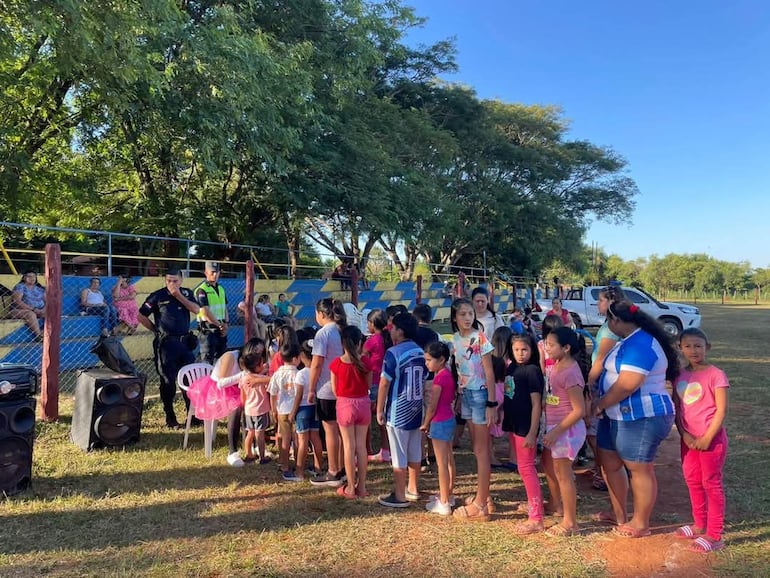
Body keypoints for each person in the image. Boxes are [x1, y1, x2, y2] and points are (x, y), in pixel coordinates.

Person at [591, 300, 679, 538]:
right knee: (609, 463)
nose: (608, 325)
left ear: (617, 321)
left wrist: (600, 404)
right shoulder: (629, 340)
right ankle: (618, 513)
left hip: (641, 416)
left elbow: (628, 384)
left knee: (639, 468)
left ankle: (641, 522)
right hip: (615, 416)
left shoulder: (641, 343)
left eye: (608, 320)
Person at [672, 328, 729, 553]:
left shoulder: (716, 375)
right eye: (688, 346)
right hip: (688, 440)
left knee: (711, 483)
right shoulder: (680, 376)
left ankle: (714, 534)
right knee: (693, 480)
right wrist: (684, 434)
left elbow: (721, 410)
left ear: (708, 347)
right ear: (681, 348)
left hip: (711, 441)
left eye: (698, 346)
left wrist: (707, 437)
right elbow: (678, 409)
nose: (693, 350)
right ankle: (699, 524)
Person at [450, 297, 497, 521]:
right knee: (477, 449)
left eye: (470, 314)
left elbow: (489, 372)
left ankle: (481, 504)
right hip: (466, 395)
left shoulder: (480, 338)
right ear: (455, 317)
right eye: (463, 314)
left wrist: (491, 403)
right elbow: (459, 370)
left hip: (480, 395)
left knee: (481, 450)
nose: (468, 318)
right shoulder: (456, 339)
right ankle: (484, 496)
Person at [138, 269, 201, 429]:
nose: (171, 284)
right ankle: (170, 417)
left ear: (181, 280)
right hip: (166, 345)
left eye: (175, 281)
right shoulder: (157, 295)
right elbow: (141, 315)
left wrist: (178, 295)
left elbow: (196, 310)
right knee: (168, 381)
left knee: (190, 380)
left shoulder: (186, 293)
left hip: (184, 343)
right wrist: (155, 329)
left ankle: (192, 415)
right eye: (168, 281)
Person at [377, 312, 426, 508]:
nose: (391, 331)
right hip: (417, 408)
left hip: (398, 410)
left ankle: (399, 495)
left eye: (393, 328)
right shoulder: (421, 352)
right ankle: (413, 488)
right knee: (415, 449)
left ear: (400, 331)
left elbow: (384, 383)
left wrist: (379, 408)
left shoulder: (393, 353)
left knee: (398, 453)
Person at [540, 327, 587, 536]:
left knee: (565, 476)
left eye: (551, 345)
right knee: (559, 473)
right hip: (558, 428)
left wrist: (555, 432)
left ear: (566, 348)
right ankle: (563, 513)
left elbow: (579, 410)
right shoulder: (558, 366)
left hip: (566, 431)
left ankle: (570, 523)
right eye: (546, 343)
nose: (546, 348)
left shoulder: (570, 373)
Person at [502, 333, 546, 534]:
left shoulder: (532, 371)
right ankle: (533, 505)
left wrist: (532, 432)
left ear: (532, 351)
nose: (520, 354)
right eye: (517, 350)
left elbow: (537, 404)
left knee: (527, 468)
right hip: (514, 424)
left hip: (525, 427)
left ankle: (536, 516)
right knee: (523, 467)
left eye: (524, 350)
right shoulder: (512, 367)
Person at [586, 285, 626, 491]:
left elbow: (601, 358)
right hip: (606, 380)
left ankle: (603, 471)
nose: (597, 304)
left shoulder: (611, 328)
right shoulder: (609, 325)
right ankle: (600, 466)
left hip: (603, 380)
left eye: (601, 300)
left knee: (595, 427)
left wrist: (588, 382)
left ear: (611, 302)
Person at [208, 338, 269, 466]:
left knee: (253, 405)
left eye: (260, 352)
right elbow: (221, 383)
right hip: (221, 389)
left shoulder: (255, 363)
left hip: (241, 386)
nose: (258, 354)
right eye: (255, 350)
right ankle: (232, 451)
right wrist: (243, 376)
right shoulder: (231, 357)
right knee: (237, 407)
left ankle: (255, 446)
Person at [308, 298, 347, 488]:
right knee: (341, 430)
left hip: (327, 388)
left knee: (330, 429)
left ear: (322, 314)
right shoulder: (343, 330)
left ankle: (333, 471)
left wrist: (310, 388)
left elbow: (316, 364)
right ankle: (342, 468)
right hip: (345, 387)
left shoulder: (323, 334)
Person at [331, 325, 372, 498]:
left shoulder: (336, 364)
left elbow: (334, 390)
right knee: (361, 447)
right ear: (359, 342)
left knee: (349, 446)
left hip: (344, 404)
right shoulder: (365, 362)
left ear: (342, 343)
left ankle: (349, 487)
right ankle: (361, 487)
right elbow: (369, 385)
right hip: (363, 403)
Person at [420, 341, 456, 516]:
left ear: (441, 360)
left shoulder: (439, 378)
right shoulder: (448, 374)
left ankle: (443, 502)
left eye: (428, 360)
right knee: (449, 460)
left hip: (439, 421)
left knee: (441, 464)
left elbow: (432, 407)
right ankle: (448, 493)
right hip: (448, 418)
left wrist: (426, 423)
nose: (426, 363)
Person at [269, 336, 303, 482]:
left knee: (284, 438)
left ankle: (284, 465)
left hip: (282, 410)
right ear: (296, 358)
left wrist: (273, 409)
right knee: (297, 439)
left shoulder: (277, 374)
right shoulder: (298, 374)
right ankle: (297, 463)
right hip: (297, 410)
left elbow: (273, 393)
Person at [363, 309, 391, 462]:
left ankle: (368, 448)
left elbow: (363, 357)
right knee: (383, 418)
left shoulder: (372, 341)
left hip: (373, 382)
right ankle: (386, 448)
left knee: (367, 419)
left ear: (372, 324)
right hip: (386, 381)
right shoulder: (389, 339)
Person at [294, 339, 324, 475]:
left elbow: (298, 396)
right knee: (316, 438)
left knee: (303, 441)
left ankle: (299, 471)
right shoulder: (319, 372)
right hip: (315, 407)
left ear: (302, 356)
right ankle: (318, 468)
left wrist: (292, 412)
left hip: (302, 409)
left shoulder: (301, 374)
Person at [237, 342, 271, 464]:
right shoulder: (260, 379)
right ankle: (262, 457)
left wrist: (245, 405)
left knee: (249, 433)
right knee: (260, 434)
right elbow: (270, 382)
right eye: (261, 364)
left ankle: (249, 454)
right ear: (257, 367)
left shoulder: (244, 378)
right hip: (260, 410)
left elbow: (243, 396)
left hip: (248, 410)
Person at [195, 261, 229, 365]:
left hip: (220, 330)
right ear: (206, 272)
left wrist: (226, 324)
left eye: (217, 272)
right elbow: (205, 312)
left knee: (221, 361)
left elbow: (225, 308)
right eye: (212, 272)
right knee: (207, 362)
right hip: (208, 331)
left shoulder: (221, 288)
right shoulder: (201, 290)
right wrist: (220, 325)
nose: (215, 274)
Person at [10, 271, 45, 340]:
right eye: (29, 276)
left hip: (38, 310)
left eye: (34, 276)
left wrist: (44, 309)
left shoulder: (39, 288)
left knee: (51, 313)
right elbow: (17, 301)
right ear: (24, 278)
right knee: (30, 314)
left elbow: (47, 302)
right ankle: (39, 336)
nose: (32, 278)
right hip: (18, 311)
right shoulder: (20, 286)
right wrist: (33, 309)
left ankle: (45, 332)